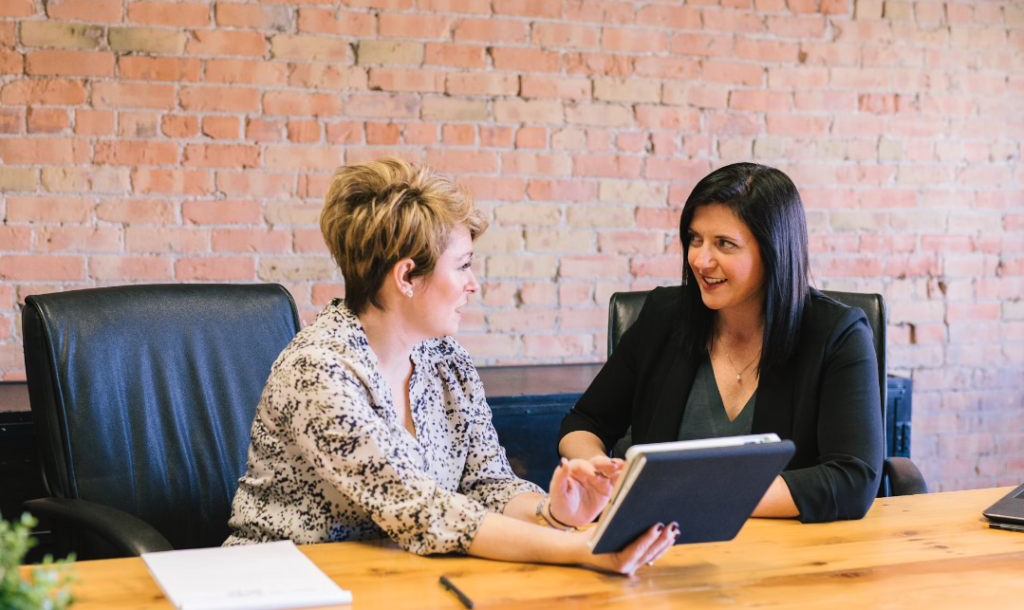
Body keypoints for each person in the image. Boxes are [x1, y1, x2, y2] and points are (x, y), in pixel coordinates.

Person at [224, 157, 677, 573]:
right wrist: (581, 548)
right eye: (462, 266)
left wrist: (555, 512)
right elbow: (422, 510)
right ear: (406, 277)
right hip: (283, 583)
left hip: (399, 577)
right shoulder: (318, 371)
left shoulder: (445, 359)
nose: (473, 284)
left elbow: (488, 482)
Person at [558, 163, 883, 523]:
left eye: (724, 244)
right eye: (695, 239)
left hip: (785, 552)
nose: (700, 259)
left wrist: (692, 496)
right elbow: (584, 422)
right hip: (660, 547)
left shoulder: (838, 334)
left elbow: (853, 478)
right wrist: (597, 471)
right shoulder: (664, 317)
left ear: (774, 250)